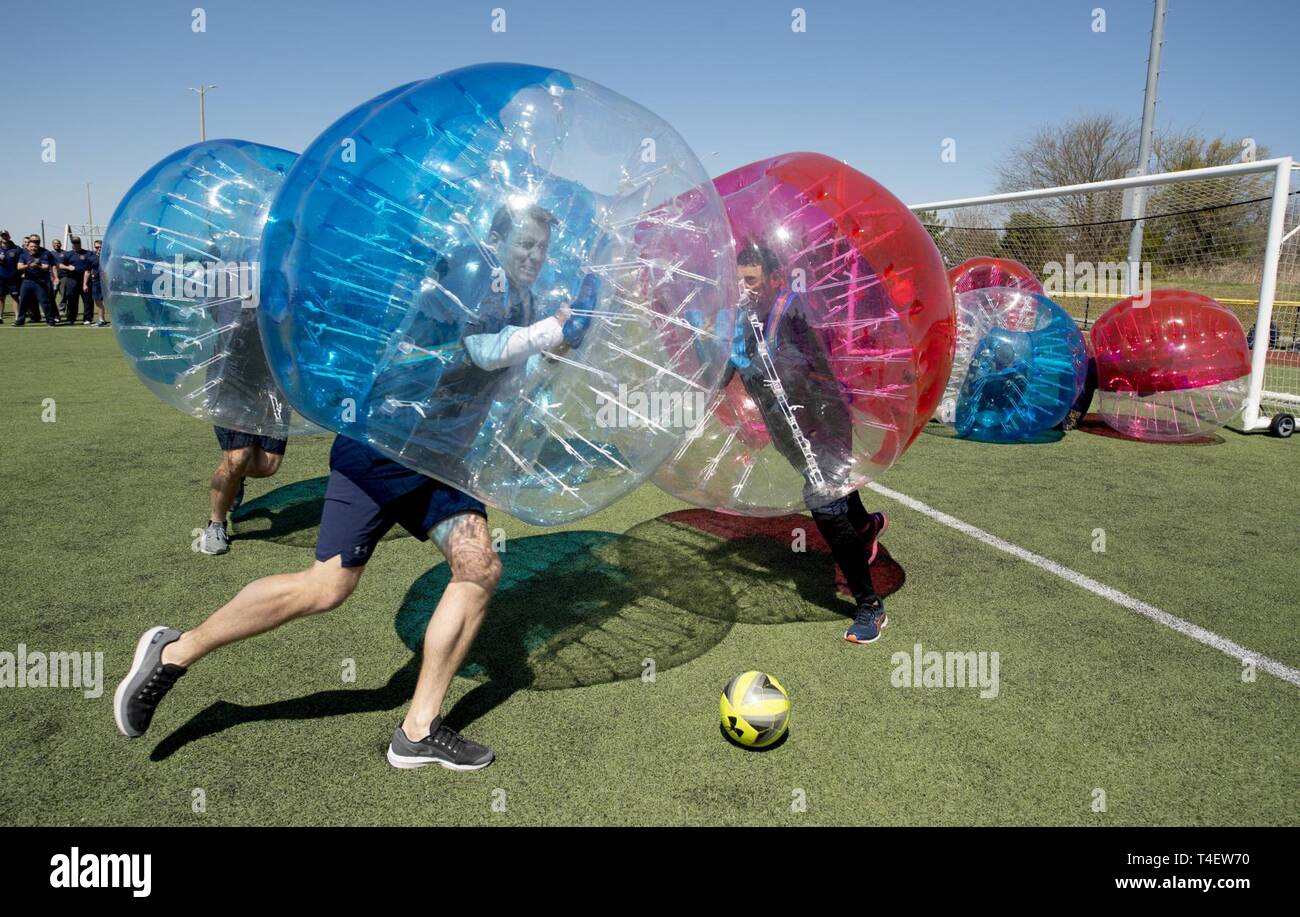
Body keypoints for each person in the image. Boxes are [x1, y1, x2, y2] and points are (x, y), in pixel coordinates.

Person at [114, 202, 593, 771]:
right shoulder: (470, 270)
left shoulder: (521, 296)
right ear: (497, 239)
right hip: (386, 445)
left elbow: (516, 367)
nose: (535, 256)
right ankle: (174, 652)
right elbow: (480, 350)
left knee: (479, 568)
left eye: (542, 247)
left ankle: (417, 731)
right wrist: (550, 332)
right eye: (526, 245)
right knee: (324, 589)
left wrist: (567, 335)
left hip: (440, 461)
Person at [724, 242, 890, 644]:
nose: (743, 288)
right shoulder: (740, 324)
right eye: (738, 280)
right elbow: (724, 373)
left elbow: (822, 365)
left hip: (823, 420)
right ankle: (868, 526)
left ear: (770, 278)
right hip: (787, 430)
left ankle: (869, 605)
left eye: (751, 280)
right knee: (835, 493)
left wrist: (788, 372)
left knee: (825, 505)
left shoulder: (794, 309)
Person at [15, 237, 57, 326]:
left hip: (40, 282)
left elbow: (46, 267)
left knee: (44, 302)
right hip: (27, 281)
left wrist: (38, 266)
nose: (33, 248)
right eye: (31, 246)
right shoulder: (23, 255)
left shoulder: (43, 255)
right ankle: (20, 320)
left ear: (38, 247)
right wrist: (28, 265)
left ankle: (50, 320)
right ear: (28, 247)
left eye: (35, 246)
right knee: (23, 301)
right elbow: (19, 267)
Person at [57, 236, 92, 325]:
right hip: (72, 280)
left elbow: (90, 267)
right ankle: (71, 318)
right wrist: (68, 267)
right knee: (72, 299)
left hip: (85, 279)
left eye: (77, 242)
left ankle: (87, 318)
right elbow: (60, 265)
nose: (75, 244)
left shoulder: (87, 253)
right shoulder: (68, 254)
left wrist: (85, 283)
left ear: (80, 243)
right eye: (74, 243)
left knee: (87, 300)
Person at [86, 239, 107, 325]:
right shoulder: (92, 258)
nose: (98, 249)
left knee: (111, 302)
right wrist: (84, 284)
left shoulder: (107, 257)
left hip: (107, 283)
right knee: (98, 301)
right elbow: (87, 271)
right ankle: (101, 320)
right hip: (96, 282)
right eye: (96, 247)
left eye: (100, 247)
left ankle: (117, 320)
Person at [0, 231, 20, 323]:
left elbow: (22, 260)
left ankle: (17, 317)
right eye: (2, 235)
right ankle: (0, 317)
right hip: (1, 278)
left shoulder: (16, 249)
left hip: (13, 277)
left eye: (6, 235)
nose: (4, 237)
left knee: (15, 297)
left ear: (9, 236)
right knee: (1, 297)